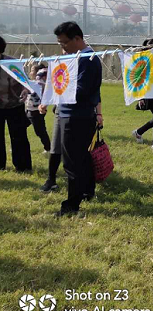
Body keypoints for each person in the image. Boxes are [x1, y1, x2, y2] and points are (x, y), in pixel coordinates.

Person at [53, 22, 103, 216]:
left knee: (72, 163)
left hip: (76, 117)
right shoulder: (74, 57)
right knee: (81, 159)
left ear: (77, 39)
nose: (62, 47)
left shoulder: (87, 59)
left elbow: (80, 91)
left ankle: (72, 205)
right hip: (73, 115)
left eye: (64, 42)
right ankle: (86, 192)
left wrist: (56, 91)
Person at [0, 36, 32, 172]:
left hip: (15, 104)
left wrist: (25, 90)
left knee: (19, 136)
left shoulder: (12, 63)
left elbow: (26, 82)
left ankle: (23, 166)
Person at [24, 65, 50, 154]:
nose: (30, 72)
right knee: (20, 127)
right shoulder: (33, 82)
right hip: (28, 110)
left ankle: (48, 148)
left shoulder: (40, 84)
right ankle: (19, 146)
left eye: (32, 70)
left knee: (40, 131)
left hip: (36, 111)